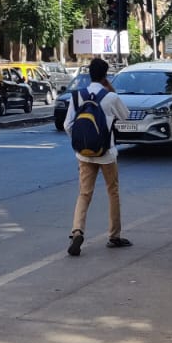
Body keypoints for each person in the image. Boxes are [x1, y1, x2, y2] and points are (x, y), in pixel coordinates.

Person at [62, 58, 131, 256]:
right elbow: (125, 115)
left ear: (89, 74)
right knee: (113, 192)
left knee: (84, 194)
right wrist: (111, 89)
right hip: (106, 153)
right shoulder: (109, 97)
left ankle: (77, 231)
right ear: (105, 76)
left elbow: (68, 125)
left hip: (83, 154)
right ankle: (114, 235)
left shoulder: (77, 96)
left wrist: (81, 145)